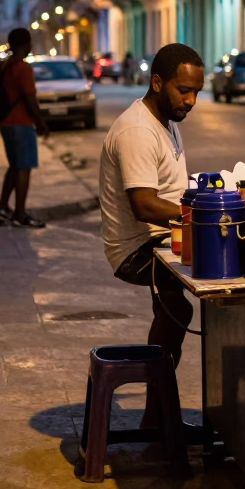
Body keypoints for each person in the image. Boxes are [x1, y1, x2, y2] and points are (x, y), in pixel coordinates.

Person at [99, 43, 205, 428]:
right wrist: (202, 212)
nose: (191, 100)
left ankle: (157, 418)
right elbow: (144, 204)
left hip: (162, 236)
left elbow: (172, 190)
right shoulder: (138, 129)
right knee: (178, 309)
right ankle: (154, 418)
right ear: (157, 82)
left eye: (196, 92)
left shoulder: (166, 121)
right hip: (138, 247)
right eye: (183, 90)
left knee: (177, 308)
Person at [0, 28, 49, 227]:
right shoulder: (23, 69)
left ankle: (2, 207)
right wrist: (40, 122)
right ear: (26, 45)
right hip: (21, 123)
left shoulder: (4, 66)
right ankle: (20, 214)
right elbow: (29, 99)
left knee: (14, 166)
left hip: (5, 123)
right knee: (24, 168)